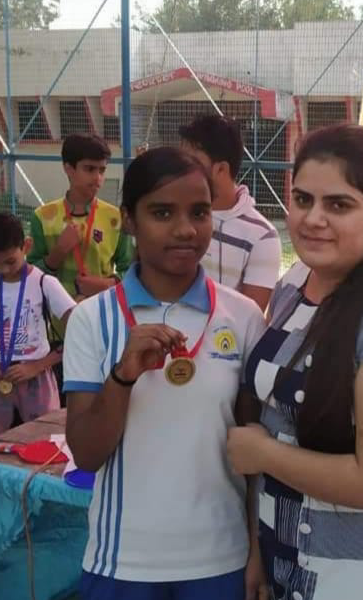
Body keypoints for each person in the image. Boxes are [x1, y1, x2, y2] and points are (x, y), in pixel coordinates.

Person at [227, 124, 363, 600]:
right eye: (303, 199)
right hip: (286, 558)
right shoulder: (294, 283)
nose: (313, 219)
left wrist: (263, 455)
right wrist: (258, 550)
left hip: (362, 577)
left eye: (339, 205)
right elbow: (275, 420)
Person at [62, 147, 267, 599]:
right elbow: (87, 455)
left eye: (199, 212)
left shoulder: (243, 317)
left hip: (222, 557)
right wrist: (123, 376)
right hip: (123, 559)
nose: (185, 229)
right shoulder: (93, 319)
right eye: (162, 213)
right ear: (129, 220)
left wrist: (256, 549)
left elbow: (254, 451)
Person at [179, 115, 281, 312]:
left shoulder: (262, 236)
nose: (181, 170)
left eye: (192, 163)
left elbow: (248, 316)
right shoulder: (174, 217)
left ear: (221, 169)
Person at [28, 133, 133, 302]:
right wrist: (58, 252)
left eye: (102, 170)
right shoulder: (42, 217)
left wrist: (107, 284)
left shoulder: (116, 218)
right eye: (89, 169)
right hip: (56, 314)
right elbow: (29, 275)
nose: (98, 178)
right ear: (69, 169)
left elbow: (131, 269)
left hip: (102, 310)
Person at [0, 213, 75, 432]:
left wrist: (37, 366)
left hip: (37, 378)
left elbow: (82, 331)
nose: (3, 270)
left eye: (10, 261)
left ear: (26, 246)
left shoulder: (44, 283)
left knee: (43, 440)